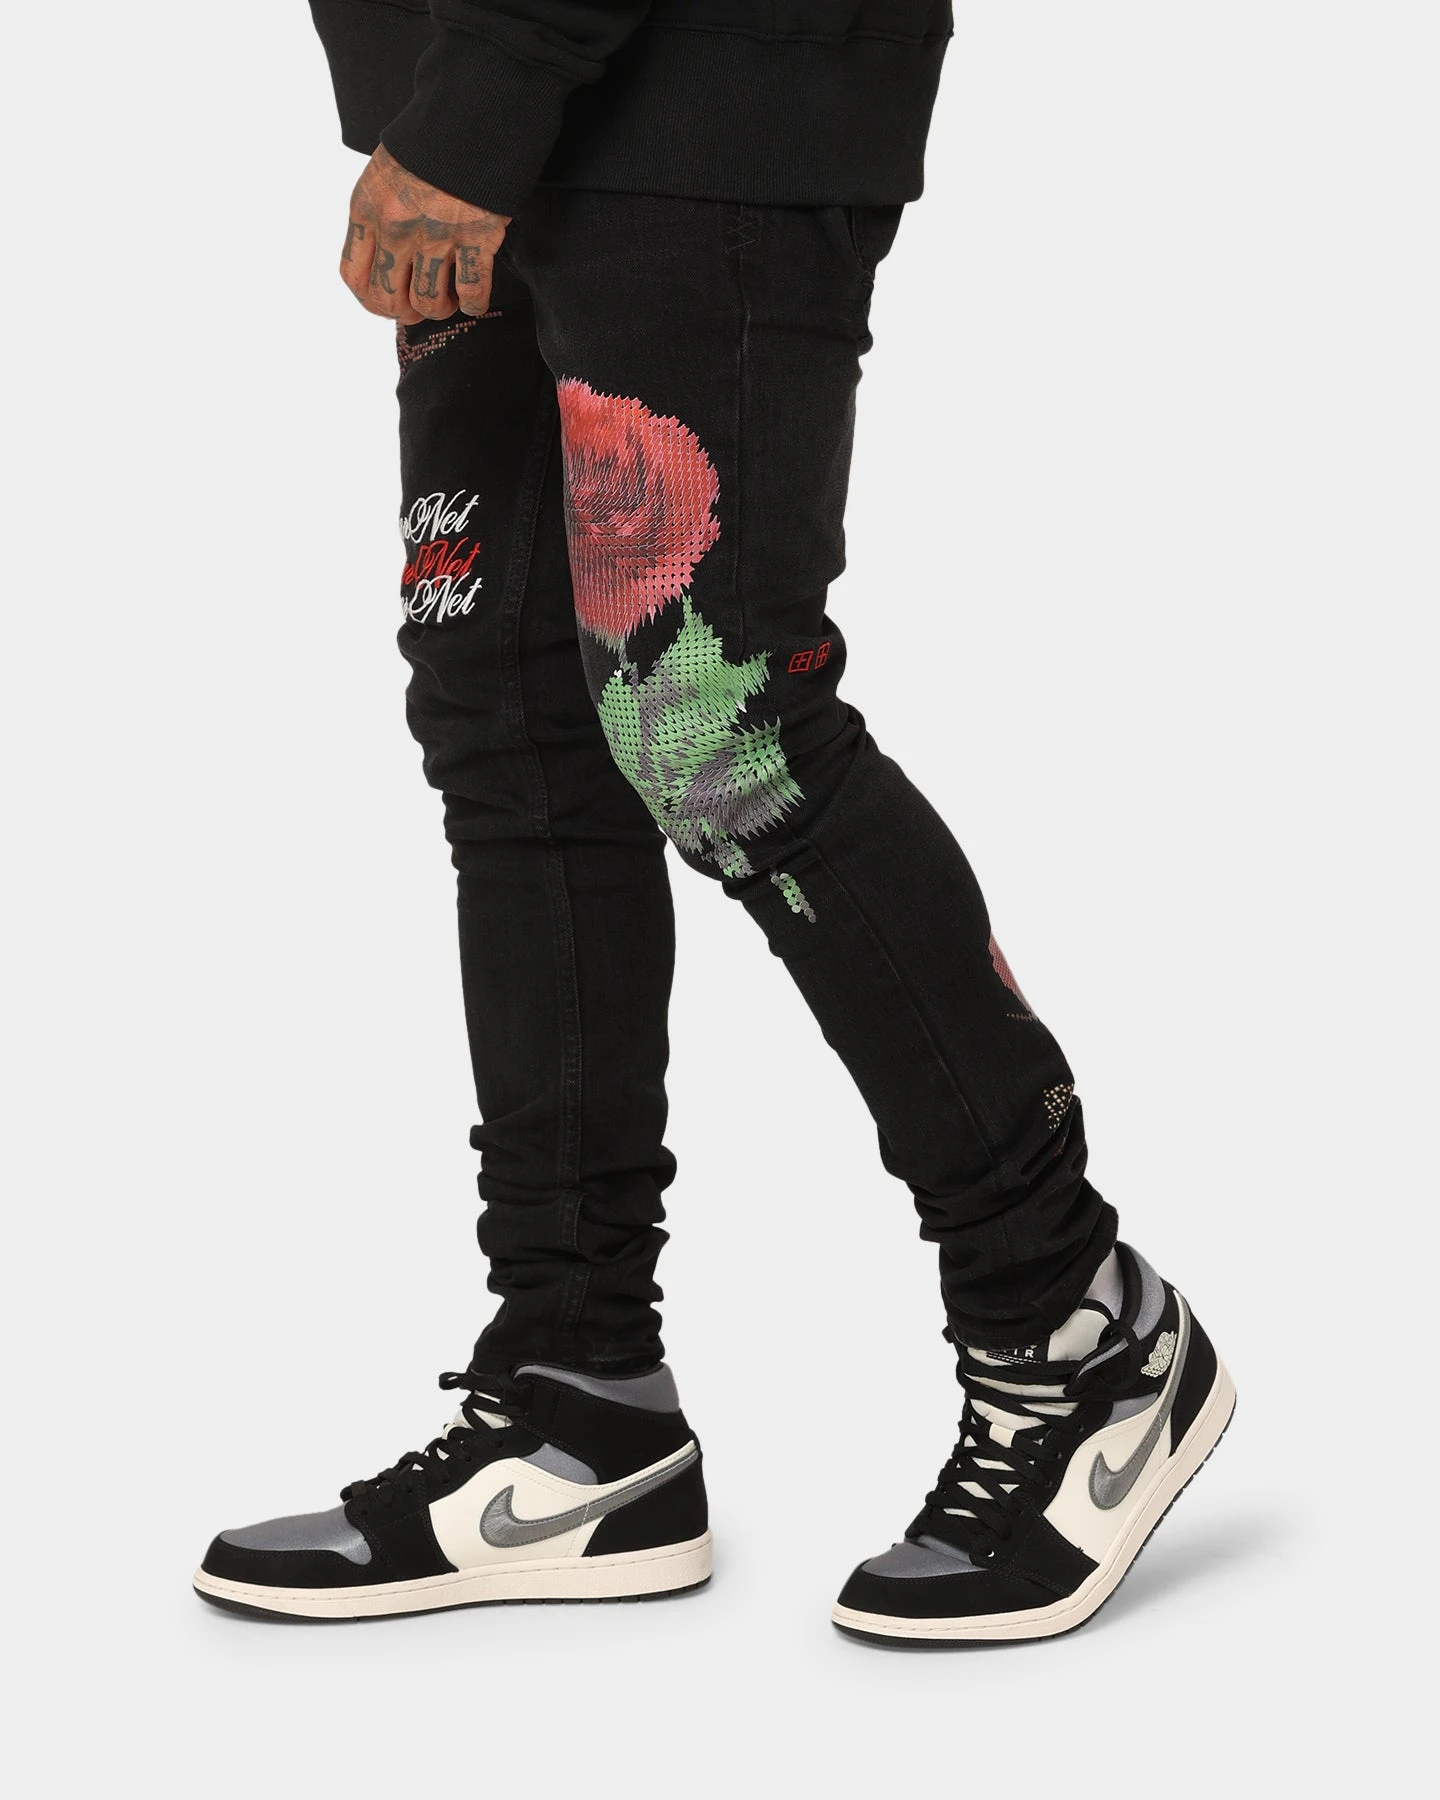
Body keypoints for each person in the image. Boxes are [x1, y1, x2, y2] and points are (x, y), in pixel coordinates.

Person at [193, 0, 1234, 1643]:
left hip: (685, 88)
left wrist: (489, 91)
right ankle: (578, 1401)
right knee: (514, 729)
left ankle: (1077, 1324)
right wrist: (452, 96)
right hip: (472, 100)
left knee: (719, 726)